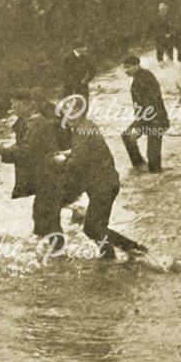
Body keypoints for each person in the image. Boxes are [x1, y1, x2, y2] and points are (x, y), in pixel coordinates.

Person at [57, 108, 147, 260]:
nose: (68, 117)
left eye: (72, 113)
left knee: (92, 228)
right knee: (98, 227)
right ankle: (109, 257)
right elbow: (86, 152)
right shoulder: (86, 126)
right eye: (66, 114)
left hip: (102, 185)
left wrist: (63, 160)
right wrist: (69, 153)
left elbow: (78, 161)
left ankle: (135, 249)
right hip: (105, 182)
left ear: (79, 112)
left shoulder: (82, 130)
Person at [0, 89, 67, 245]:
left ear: (26, 104)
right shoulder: (30, 123)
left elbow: (26, 151)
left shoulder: (37, 124)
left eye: (14, 103)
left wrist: (2, 149)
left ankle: (57, 255)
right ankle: (52, 254)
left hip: (49, 177)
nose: (11, 107)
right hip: (46, 177)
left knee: (48, 219)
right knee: (42, 218)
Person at [120, 55, 169, 173]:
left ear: (137, 65)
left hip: (155, 119)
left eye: (128, 67)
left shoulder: (145, 78)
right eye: (124, 68)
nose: (126, 70)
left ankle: (156, 177)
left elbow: (149, 106)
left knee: (153, 155)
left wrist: (138, 126)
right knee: (126, 135)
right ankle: (140, 166)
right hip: (146, 118)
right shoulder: (141, 77)